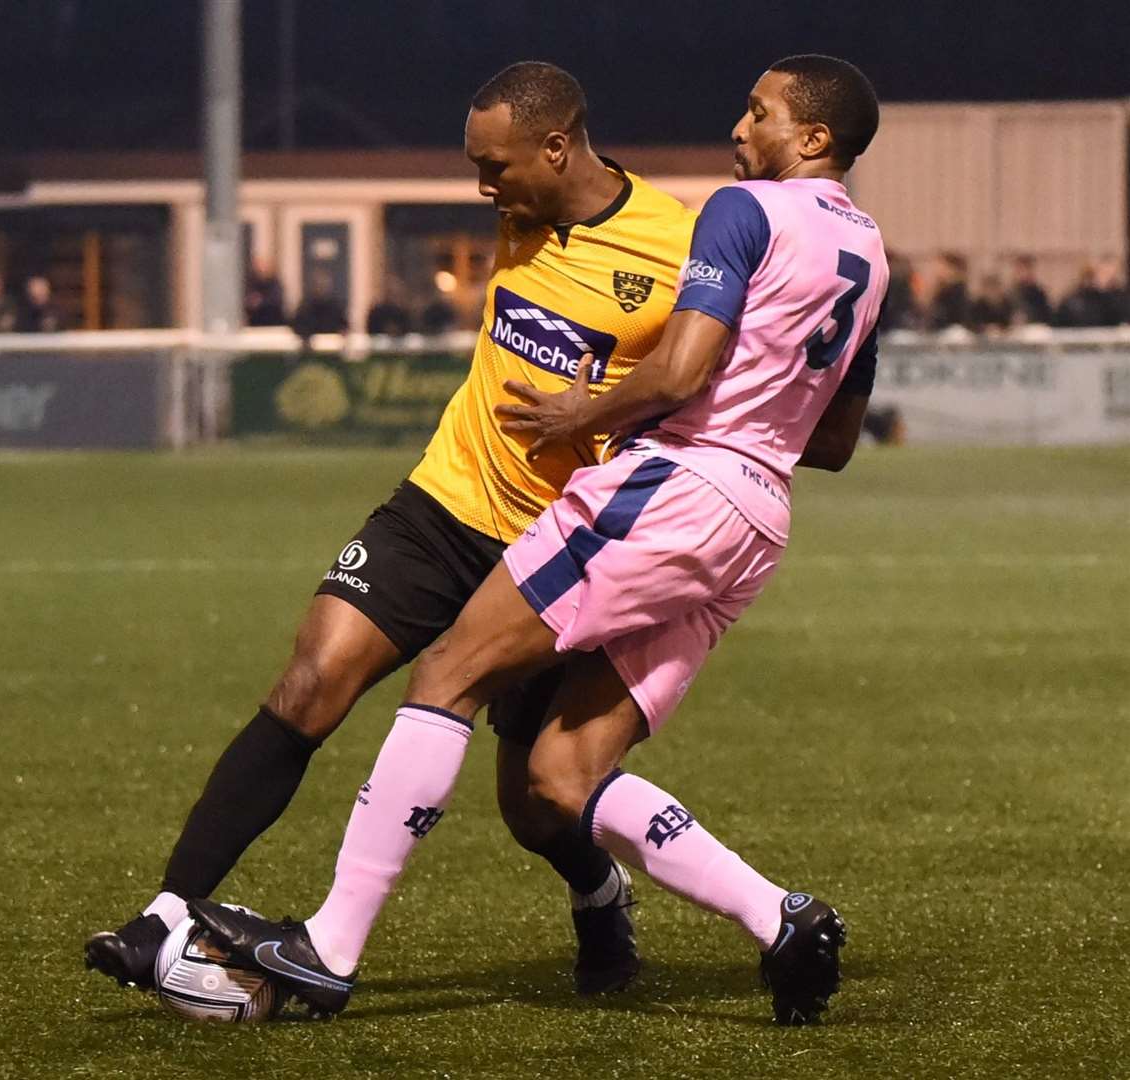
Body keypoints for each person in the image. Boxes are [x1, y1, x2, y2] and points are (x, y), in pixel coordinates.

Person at [191, 53, 887, 1028]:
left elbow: (682, 370)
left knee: (446, 676)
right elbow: (838, 441)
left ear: (811, 138)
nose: (739, 129)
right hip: (757, 518)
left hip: (678, 485)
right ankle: (780, 918)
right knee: (559, 779)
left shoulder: (742, 211)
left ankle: (327, 950)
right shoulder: (871, 257)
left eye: (757, 112)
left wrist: (585, 411)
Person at [84, 61, 698, 999]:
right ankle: (165, 916)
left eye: (494, 168)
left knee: (536, 804)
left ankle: (597, 888)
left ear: (557, 147)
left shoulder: (680, 249)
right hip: (441, 505)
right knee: (309, 681)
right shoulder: (521, 214)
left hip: (556, 548)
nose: (482, 189)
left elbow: (707, 388)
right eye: (474, 166)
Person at [291, 270, 349, 340]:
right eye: (318, 285)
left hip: (332, 345)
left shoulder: (335, 307)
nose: (321, 288)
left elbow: (344, 326)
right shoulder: (305, 307)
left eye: (324, 284)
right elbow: (297, 326)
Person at [927, 252, 970, 330]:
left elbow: (958, 316)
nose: (938, 271)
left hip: (954, 332)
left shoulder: (957, 290)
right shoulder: (940, 290)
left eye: (942, 267)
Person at [1008, 255, 1051, 325]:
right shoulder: (1009, 295)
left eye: (1025, 269)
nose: (1023, 274)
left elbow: (1046, 317)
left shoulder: (1039, 294)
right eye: (1020, 270)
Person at [245, 258, 287, 327]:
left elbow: (276, 301)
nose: (261, 269)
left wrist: (260, 302)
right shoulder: (252, 283)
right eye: (259, 266)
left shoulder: (274, 283)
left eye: (264, 266)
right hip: (255, 324)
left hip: (273, 322)